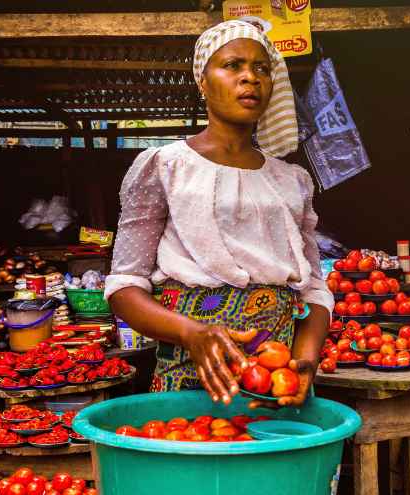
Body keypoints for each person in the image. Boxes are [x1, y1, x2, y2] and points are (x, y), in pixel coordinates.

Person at [104, 20, 333, 408]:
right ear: (203, 82)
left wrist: (305, 362)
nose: (250, 78)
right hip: (191, 373)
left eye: (262, 69)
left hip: (276, 382)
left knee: (277, 466)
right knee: (193, 459)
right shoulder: (164, 166)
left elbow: (314, 290)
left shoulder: (292, 180)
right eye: (233, 65)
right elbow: (124, 287)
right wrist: (193, 334)